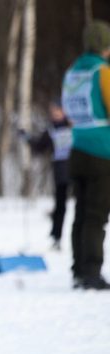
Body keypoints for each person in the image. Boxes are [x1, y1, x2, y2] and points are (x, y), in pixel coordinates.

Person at [62, 19, 110, 290]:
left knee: (80, 213)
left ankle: (79, 269)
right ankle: (92, 271)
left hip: (77, 149)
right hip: (102, 152)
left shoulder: (72, 72)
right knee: (96, 215)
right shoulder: (102, 71)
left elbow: (69, 111)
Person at [23, 102, 72, 250]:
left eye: (58, 111)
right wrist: (27, 138)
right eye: (53, 111)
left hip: (76, 170)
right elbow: (39, 147)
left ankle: (78, 239)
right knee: (60, 205)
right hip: (60, 173)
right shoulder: (51, 130)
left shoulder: (73, 127)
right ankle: (56, 236)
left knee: (75, 206)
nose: (55, 114)